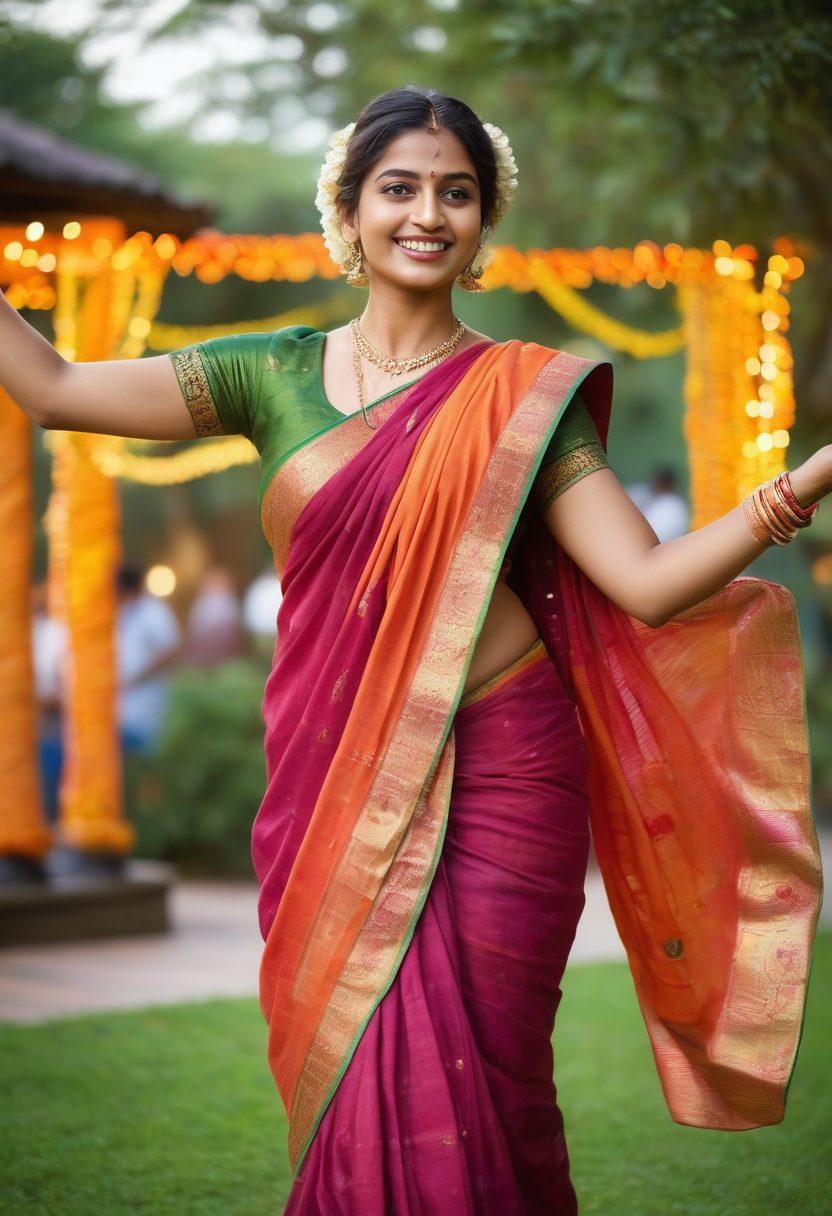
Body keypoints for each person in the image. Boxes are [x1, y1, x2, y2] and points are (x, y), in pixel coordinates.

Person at [2, 86, 829, 1215]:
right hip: (335, 773)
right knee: (358, 1059)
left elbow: (642, 582)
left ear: (484, 221)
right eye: (398, 188)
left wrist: (802, 486)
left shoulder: (524, 399)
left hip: (508, 772)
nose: (426, 213)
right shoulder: (268, 373)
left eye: (456, 191)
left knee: (486, 1072)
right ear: (348, 210)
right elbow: (50, 390)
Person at [116, 564, 183, 754]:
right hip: (123, 707)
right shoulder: (124, 611)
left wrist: (138, 675)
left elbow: (171, 650)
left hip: (147, 705)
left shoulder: (154, 612)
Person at [185, 565, 244, 667]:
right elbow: (195, 630)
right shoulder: (201, 603)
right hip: (203, 657)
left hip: (225, 657)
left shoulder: (229, 603)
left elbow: (232, 631)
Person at [626, 465, 690, 541]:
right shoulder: (640, 491)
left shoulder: (674, 505)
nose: (658, 483)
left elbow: (668, 534)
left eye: (663, 481)